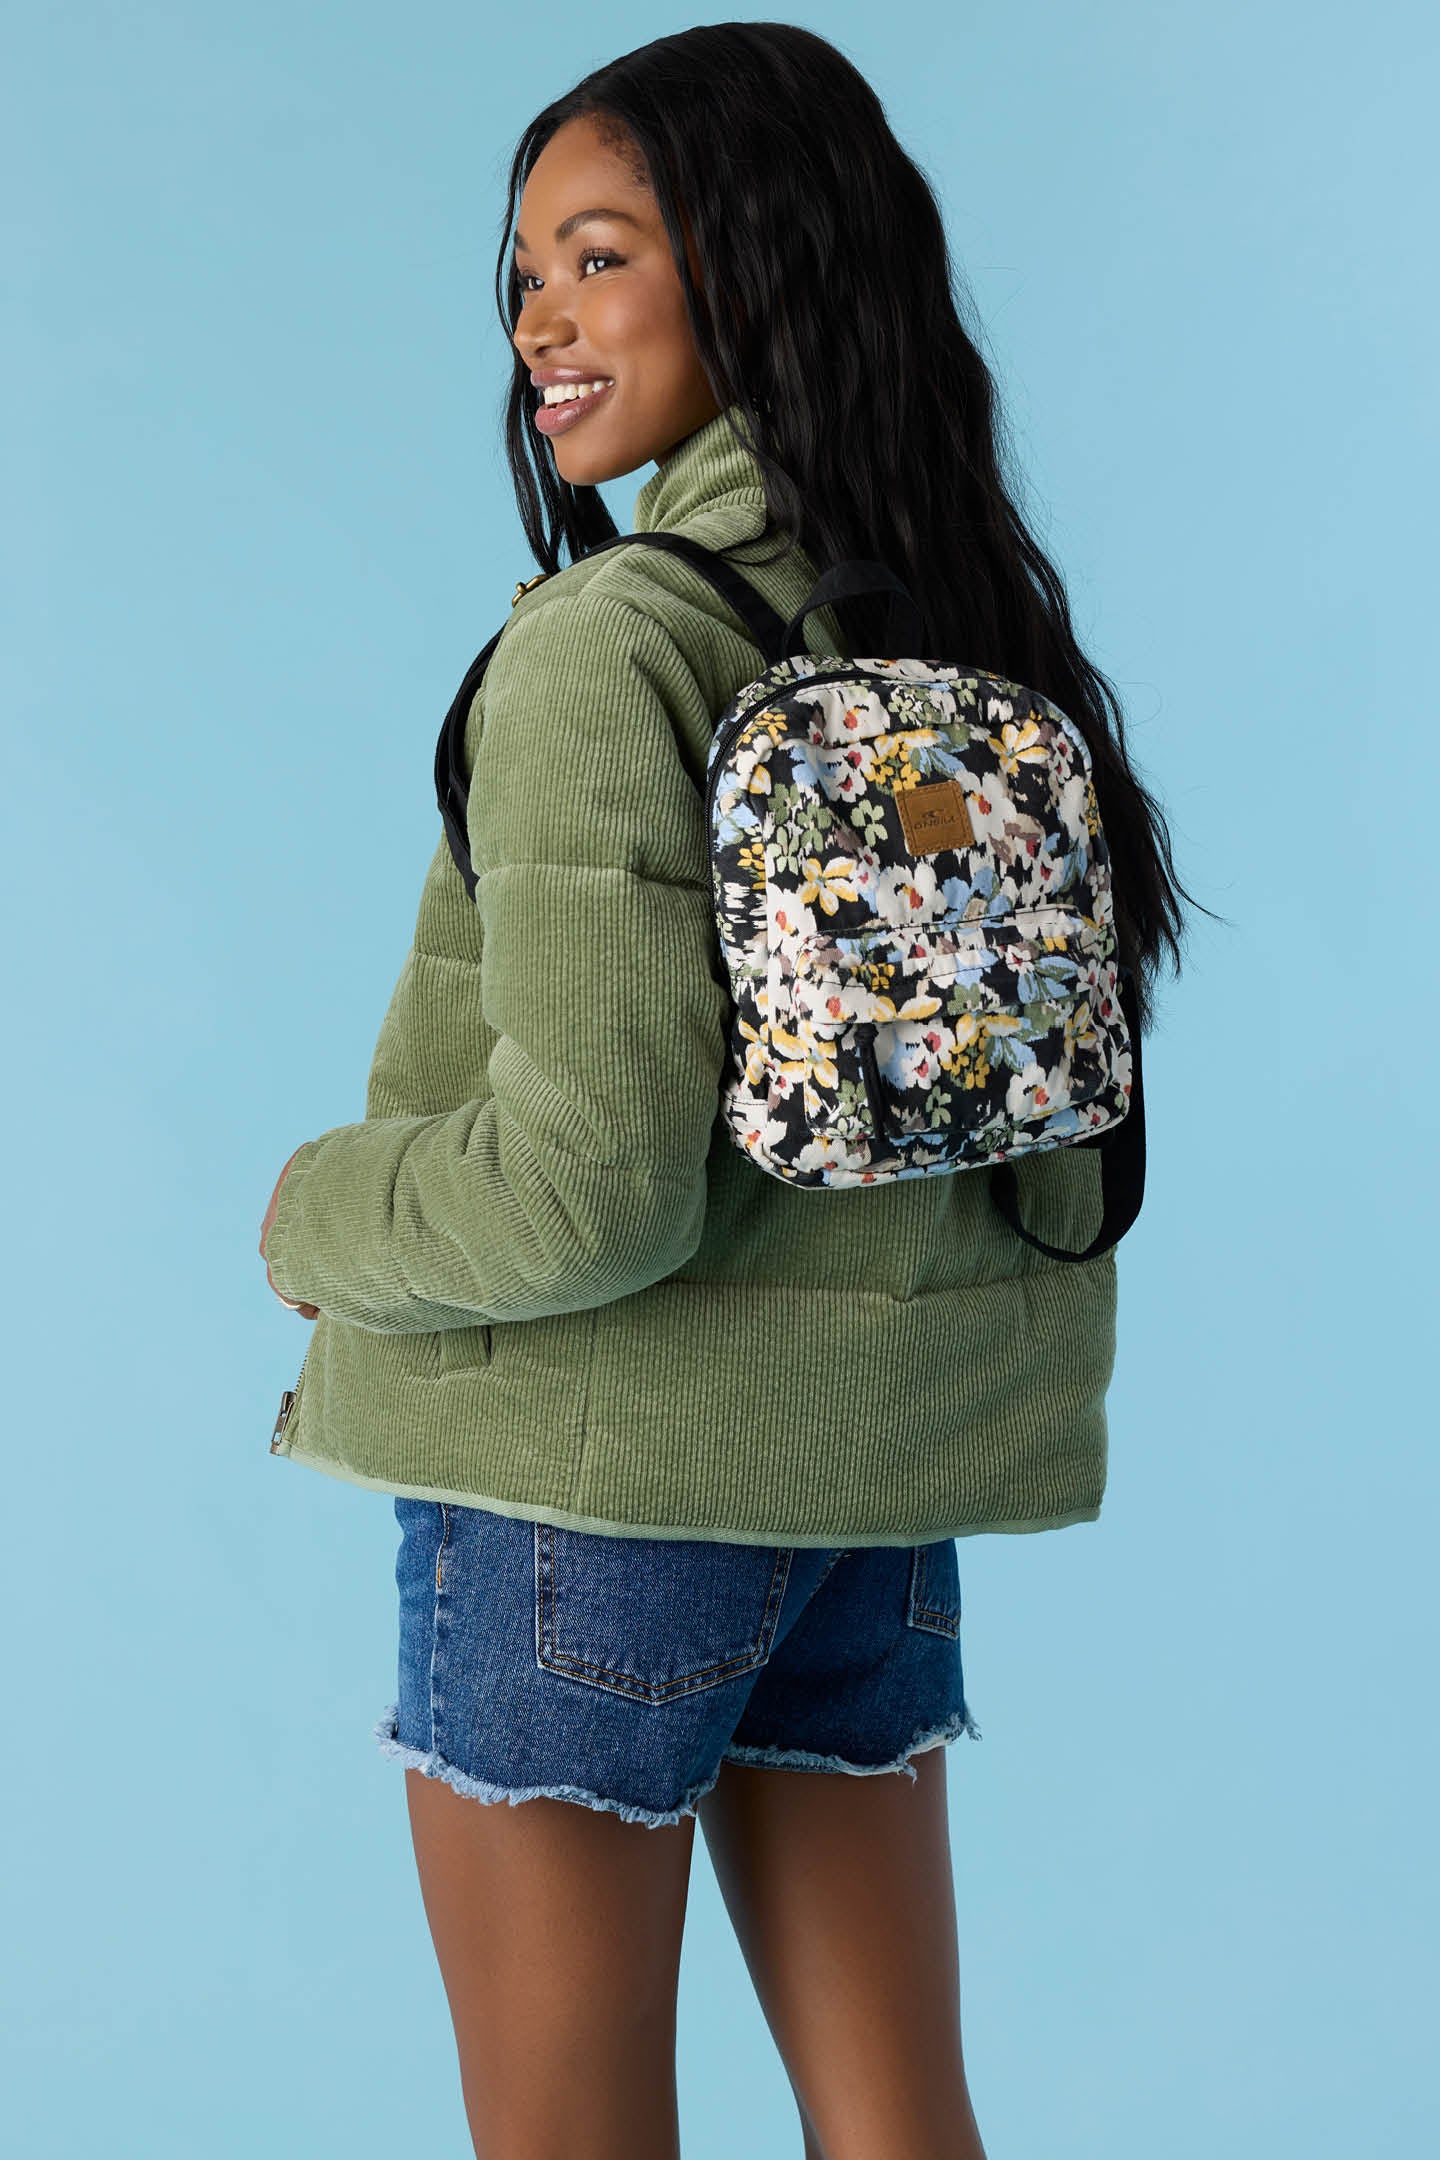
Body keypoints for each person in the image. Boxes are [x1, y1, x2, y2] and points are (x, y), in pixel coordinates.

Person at [258, 24, 1202, 2160]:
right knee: (903, 2127)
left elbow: (590, 1190)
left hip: (591, 1509)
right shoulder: (956, 633)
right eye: (525, 275)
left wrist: (322, 1213)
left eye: (601, 258)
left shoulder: (614, 645)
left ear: (760, 267)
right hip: (868, 1498)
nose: (541, 324)